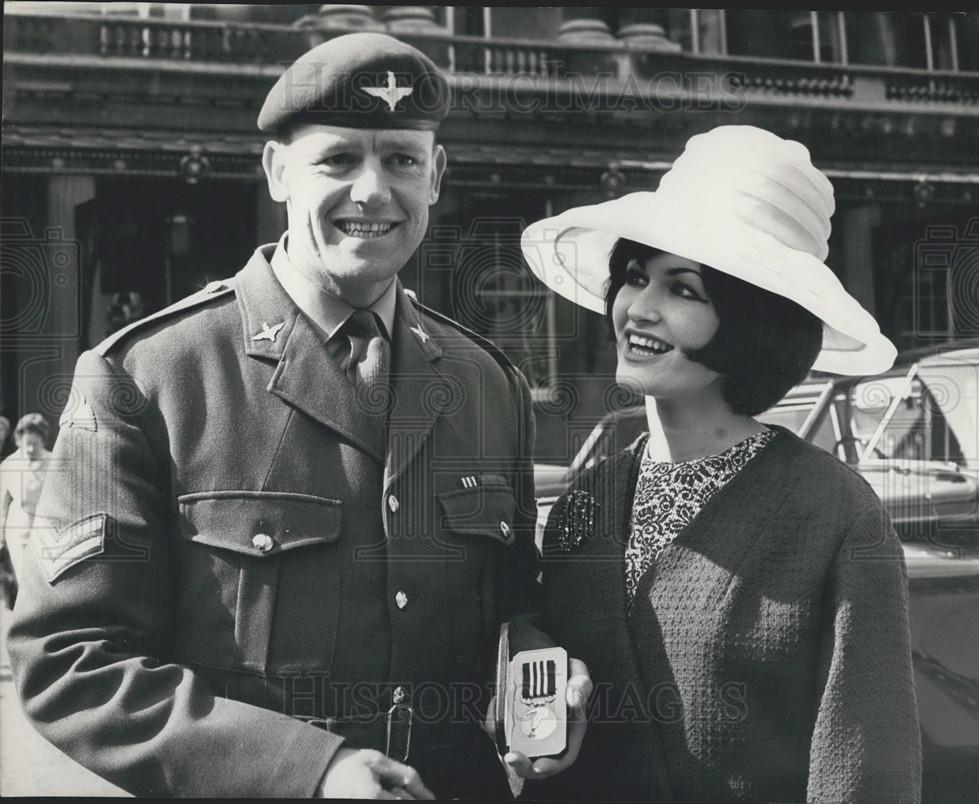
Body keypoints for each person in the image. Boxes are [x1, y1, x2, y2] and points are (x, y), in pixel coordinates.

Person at [8, 33, 588, 799]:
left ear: (437, 175)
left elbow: (513, 601)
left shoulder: (488, 382)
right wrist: (308, 771)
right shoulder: (145, 377)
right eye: (339, 160)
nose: (374, 191)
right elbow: (71, 660)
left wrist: (537, 679)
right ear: (278, 171)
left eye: (403, 160)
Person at [518, 126, 922, 802]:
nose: (638, 309)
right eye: (635, 276)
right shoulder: (584, 504)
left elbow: (867, 762)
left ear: (749, 322)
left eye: (684, 290)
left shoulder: (837, 517)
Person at [0, 413, 53, 584]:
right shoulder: (9, 465)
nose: (30, 449)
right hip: (20, 532)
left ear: (43, 441)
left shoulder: (54, 463)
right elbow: (2, 506)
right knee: (26, 582)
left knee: (46, 581)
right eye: (27, 445)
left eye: (35, 445)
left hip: (48, 531)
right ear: (18, 441)